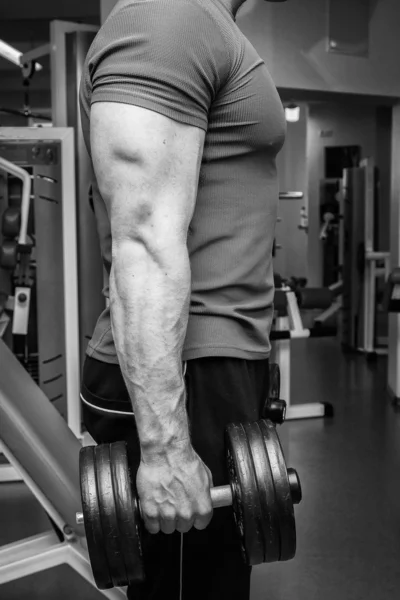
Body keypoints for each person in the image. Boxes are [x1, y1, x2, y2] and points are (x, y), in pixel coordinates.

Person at [79, 0, 286, 597]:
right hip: (184, 376)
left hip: (214, 368)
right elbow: (142, 237)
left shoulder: (202, 23)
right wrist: (167, 448)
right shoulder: (170, 15)